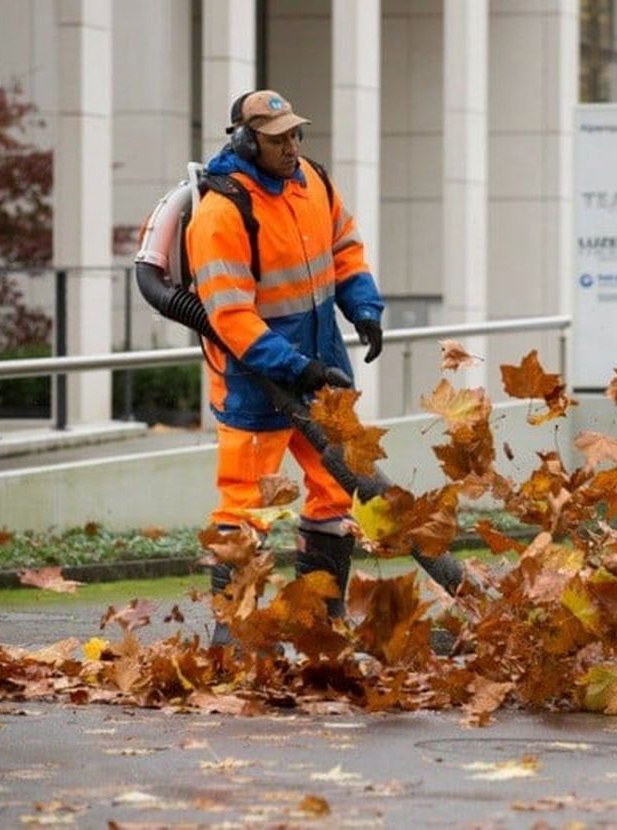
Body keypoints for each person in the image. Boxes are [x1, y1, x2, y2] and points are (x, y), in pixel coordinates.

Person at [186, 89, 384, 646]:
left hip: (321, 369)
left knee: (335, 488)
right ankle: (236, 632)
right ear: (247, 142)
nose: (291, 147)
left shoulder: (312, 182)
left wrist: (364, 307)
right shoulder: (223, 211)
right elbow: (231, 316)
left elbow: (345, 247)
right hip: (257, 382)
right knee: (245, 507)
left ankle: (322, 619)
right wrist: (295, 367)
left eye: (296, 134)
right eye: (278, 140)